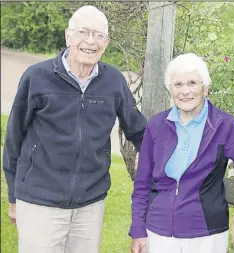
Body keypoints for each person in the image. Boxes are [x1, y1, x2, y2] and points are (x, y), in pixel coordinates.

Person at [3, 5, 147, 253]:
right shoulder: (36, 77)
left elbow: (140, 131)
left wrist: (174, 153)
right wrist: (14, 197)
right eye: (83, 32)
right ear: (68, 35)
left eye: (99, 35)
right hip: (40, 201)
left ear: (107, 42)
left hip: (89, 206)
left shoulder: (113, 81)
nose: (90, 41)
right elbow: (14, 138)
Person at [129, 53, 234, 253]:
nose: (185, 91)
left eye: (192, 83)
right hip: (158, 233)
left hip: (206, 235)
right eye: (178, 84)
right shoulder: (156, 125)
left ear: (206, 87)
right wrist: (138, 230)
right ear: (170, 89)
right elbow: (142, 184)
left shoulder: (223, 125)